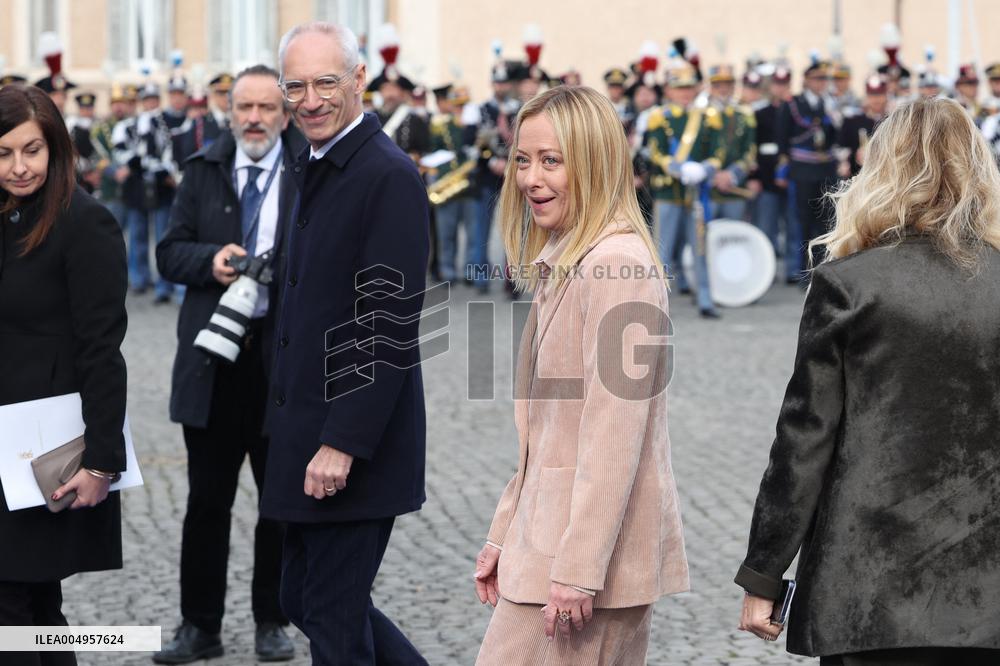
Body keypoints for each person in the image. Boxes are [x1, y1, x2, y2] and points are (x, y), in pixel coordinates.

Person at [735, 97, 1000, 665]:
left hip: (867, 583)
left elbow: (804, 439)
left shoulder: (849, 285)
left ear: (879, 173)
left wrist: (763, 572)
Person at [474, 85, 688, 665]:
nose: (530, 179)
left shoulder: (619, 266)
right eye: (523, 159)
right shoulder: (571, 257)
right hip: (546, 545)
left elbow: (614, 437)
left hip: (583, 567)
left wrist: (578, 570)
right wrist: (504, 533)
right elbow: (543, 439)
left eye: (551, 161)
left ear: (593, 165)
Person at [262, 21, 429, 665]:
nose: (309, 100)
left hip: (350, 443)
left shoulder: (386, 175)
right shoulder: (314, 159)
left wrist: (343, 441)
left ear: (359, 80)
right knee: (305, 598)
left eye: (325, 82)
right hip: (305, 428)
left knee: (332, 619)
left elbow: (387, 322)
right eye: (295, 86)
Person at [152, 65, 304, 665]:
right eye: (244, 107)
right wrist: (211, 260)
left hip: (278, 359)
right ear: (229, 111)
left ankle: (273, 619)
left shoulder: (305, 173)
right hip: (214, 360)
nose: (254, 119)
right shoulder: (204, 171)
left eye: (267, 108)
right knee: (206, 503)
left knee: (279, 504)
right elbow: (168, 253)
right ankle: (200, 626)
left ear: (284, 114)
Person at [0, 83, 127, 666]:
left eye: (32, 150)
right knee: (29, 606)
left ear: (55, 149)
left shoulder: (85, 223)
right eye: (3, 152)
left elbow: (103, 349)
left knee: (22, 606)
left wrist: (101, 461)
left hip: (43, 450)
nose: (19, 167)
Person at [643, 62, 721, 317]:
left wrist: (705, 169)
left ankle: (705, 299)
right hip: (669, 192)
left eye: (689, 87)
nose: (685, 93)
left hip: (697, 192)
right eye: (679, 88)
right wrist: (677, 169)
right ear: (668, 90)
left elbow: (718, 152)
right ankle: (656, 303)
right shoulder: (659, 117)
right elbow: (656, 152)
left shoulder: (709, 116)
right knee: (663, 250)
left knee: (700, 247)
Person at [776, 60, 839, 282]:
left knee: (825, 221)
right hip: (802, 170)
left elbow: (835, 139)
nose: (821, 83)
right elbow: (782, 140)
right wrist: (783, 171)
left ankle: (821, 269)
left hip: (825, 170)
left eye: (824, 79)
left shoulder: (830, 104)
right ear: (806, 80)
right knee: (801, 220)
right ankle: (802, 270)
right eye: (817, 79)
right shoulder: (793, 104)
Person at [836, 76, 888, 178]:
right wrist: (846, 161)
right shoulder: (852, 121)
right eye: (872, 95)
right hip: (858, 177)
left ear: (886, 96)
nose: (876, 99)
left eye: (880, 95)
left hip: (885, 177)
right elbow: (842, 148)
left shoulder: (892, 121)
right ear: (867, 97)